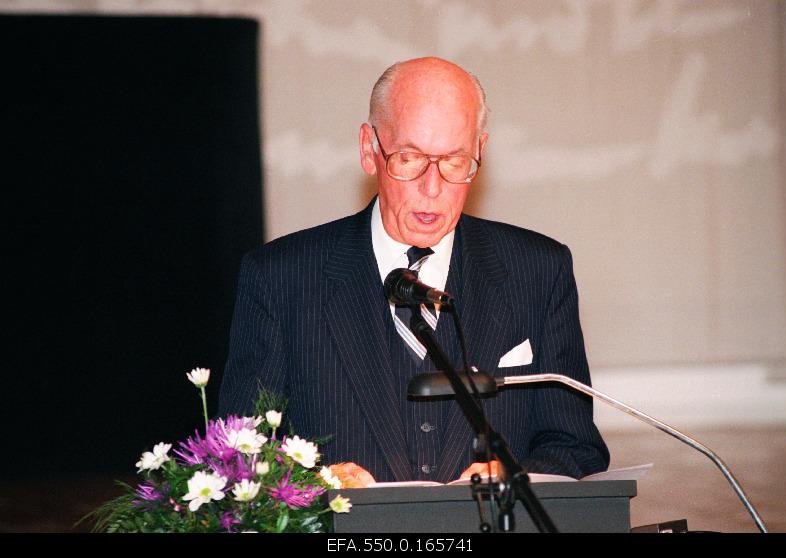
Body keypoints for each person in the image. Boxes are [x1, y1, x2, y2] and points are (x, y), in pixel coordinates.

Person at [219, 57, 609, 487]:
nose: (432, 187)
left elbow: (574, 445)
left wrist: (514, 477)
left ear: (479, 151)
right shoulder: (280, 278)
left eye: (455, 161)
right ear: (369, 149)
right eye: (409, 158)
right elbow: (240, 455)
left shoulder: (538, 270)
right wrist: (317, 484)